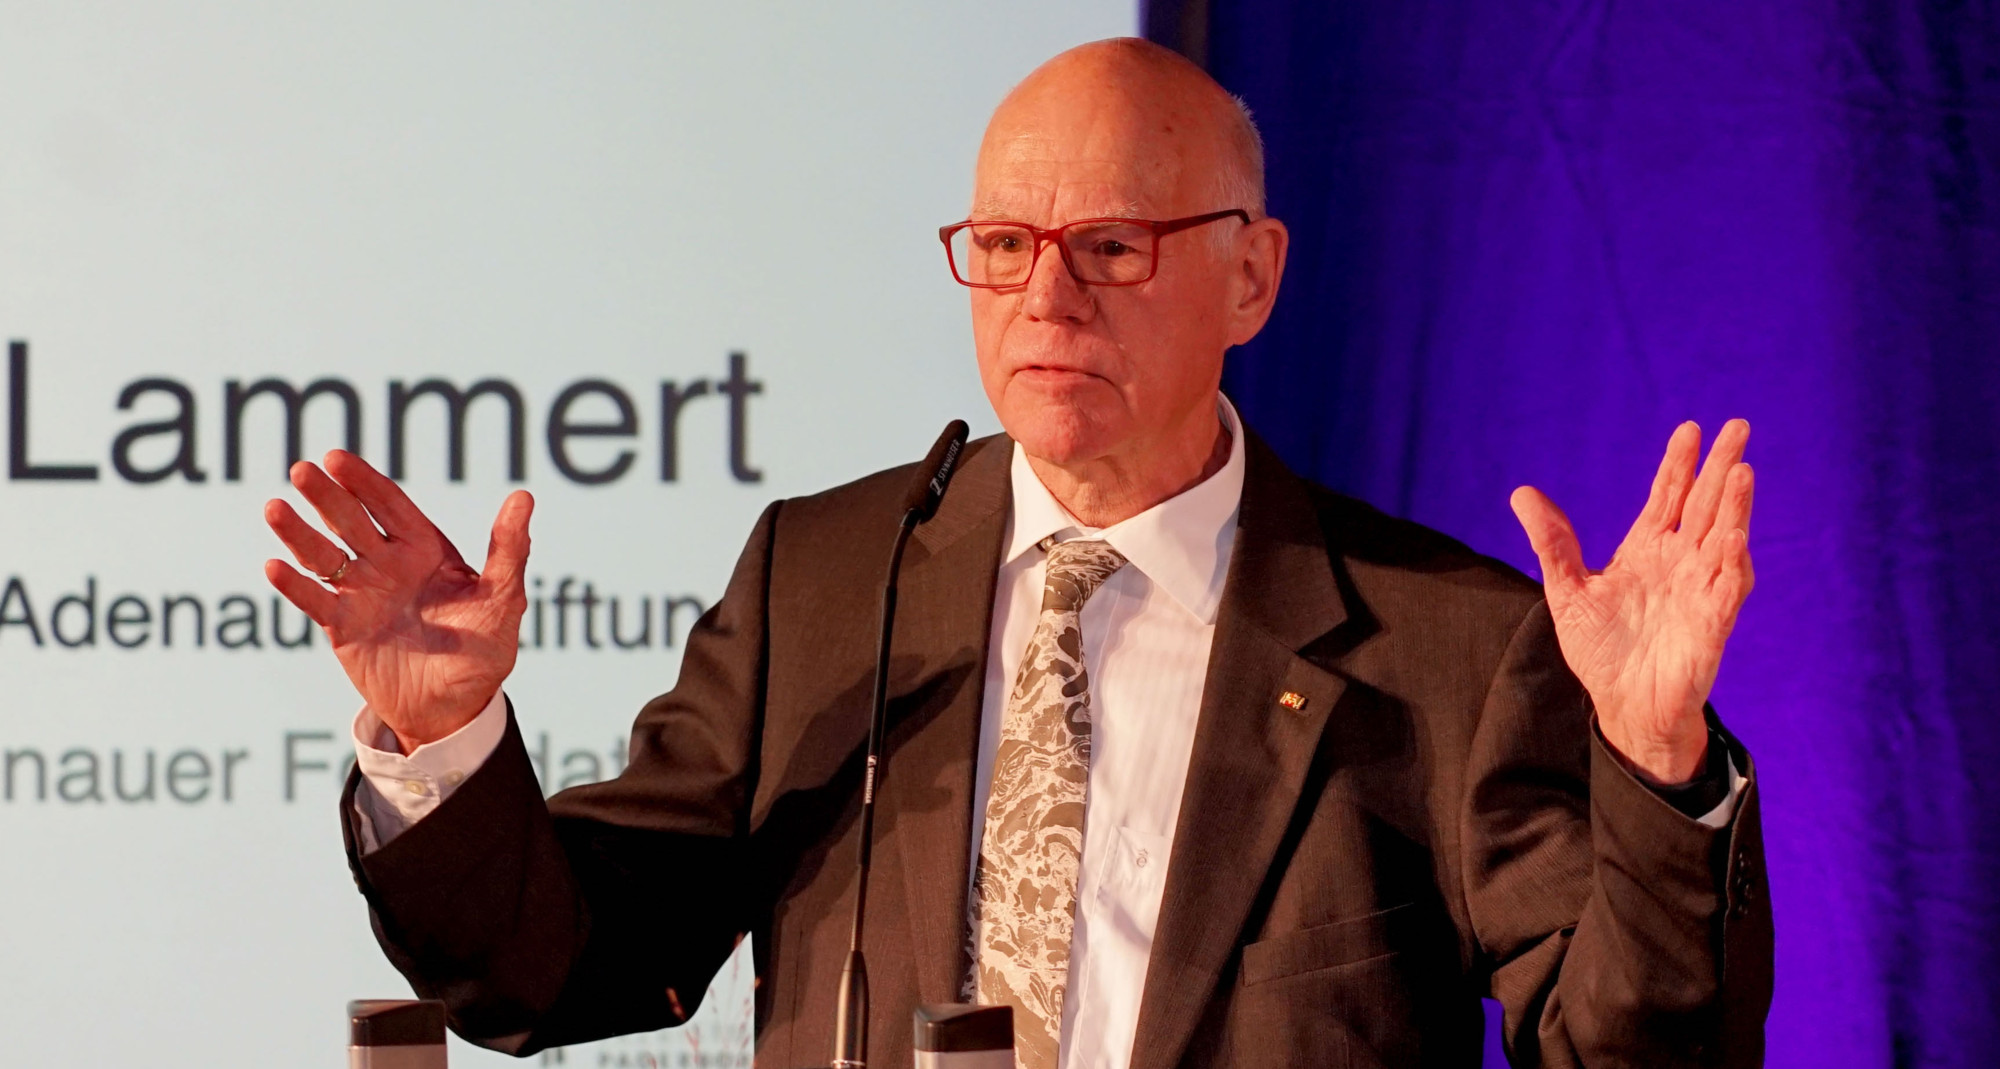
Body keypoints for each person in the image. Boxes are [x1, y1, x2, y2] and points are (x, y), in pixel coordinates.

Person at [263, 38, 1771, 1069]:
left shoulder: (1443, 641)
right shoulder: (827, 578)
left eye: (1111, 246)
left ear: (1251, 276)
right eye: (1001, 245)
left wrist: (1655, 766)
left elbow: (1633, 1053)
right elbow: (567, 966)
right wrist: (446, 739)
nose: (1045, 298)